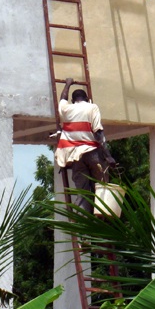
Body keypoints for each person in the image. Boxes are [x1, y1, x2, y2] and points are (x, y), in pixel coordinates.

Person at [54, 78, 114, 212]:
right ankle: (102, 216)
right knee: (102, 187)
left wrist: (67, 84)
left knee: (83, 192)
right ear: (87, 98)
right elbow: (98, 132)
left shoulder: (66, 109)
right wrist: (108, 156)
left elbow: (63, 98)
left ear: (73, 100)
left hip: (75, 156)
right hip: (92, 152)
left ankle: (82, 223)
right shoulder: (92, 107)